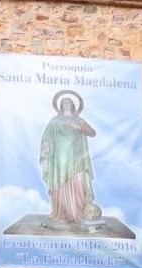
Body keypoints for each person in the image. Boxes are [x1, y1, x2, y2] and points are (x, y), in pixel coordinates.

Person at [39, 92, 99, 227]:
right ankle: (61, 214)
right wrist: (44, 148)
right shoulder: (54, 121)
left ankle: (79, 213)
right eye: (64, 102)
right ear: (60, 105)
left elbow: (92, 133)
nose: (66, 104)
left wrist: (79, 127)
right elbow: (46, 137)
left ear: (73, 105)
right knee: (60, 185)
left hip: (77, 158)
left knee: (79, 184)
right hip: (59, 160)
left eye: (68, 102)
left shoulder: (79, 121)